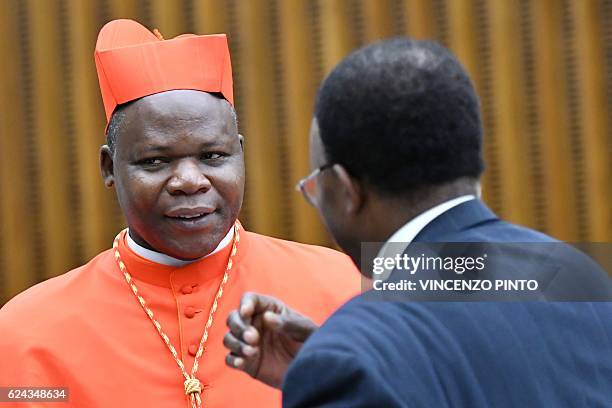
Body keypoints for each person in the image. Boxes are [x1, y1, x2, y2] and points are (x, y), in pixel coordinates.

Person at [224, 38, 612, 406]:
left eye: (315, 185)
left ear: (346, 190)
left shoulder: (356, 356)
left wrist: (341, 361)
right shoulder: (579, 275)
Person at [0, 19, 359, 408]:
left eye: (212, 156)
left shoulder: (345, 288)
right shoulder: (26, 331)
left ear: (240, 153)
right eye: (155, 161)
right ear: (108, 168)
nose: (190, 181)